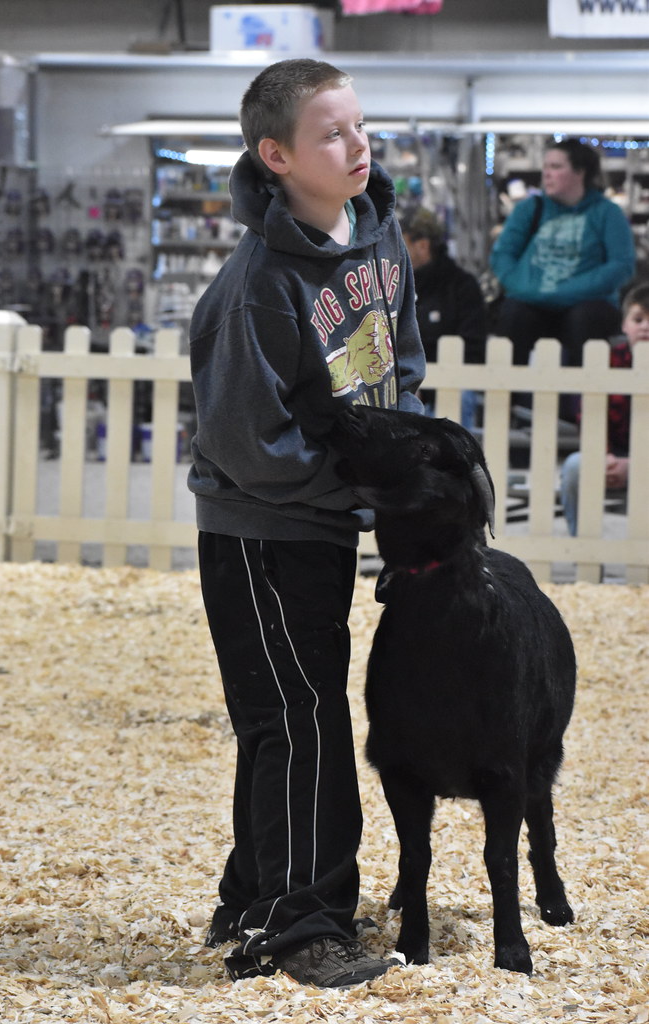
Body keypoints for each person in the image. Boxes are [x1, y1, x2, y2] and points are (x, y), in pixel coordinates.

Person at [187, 58, 425, 988]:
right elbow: (246, 443)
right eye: (332, 134)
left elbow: (397, 366)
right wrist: (355, 492)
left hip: (324, 518)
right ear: (276, 156)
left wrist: (398, 472)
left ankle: (253, 897)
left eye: (359, 124)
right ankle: (298, 927)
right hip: (261, 527)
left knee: (291, 716)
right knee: (301, 723)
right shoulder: (254, 285)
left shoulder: (379, 238)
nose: (357, 145)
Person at [490, 139, 635, 376]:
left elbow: (621, 265)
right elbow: (502, 256)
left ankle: (583, 394)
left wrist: (563, 291)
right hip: (531, 301)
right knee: (514, 314)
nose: (547, 174)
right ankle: (507, 392)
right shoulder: (529, 209)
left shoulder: (607, 213)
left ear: (580, 172)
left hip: (586, 306)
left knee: (586, 319)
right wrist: (529, 289)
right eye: (546, 166)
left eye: (556, 167)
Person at [559, 282, 648, 536]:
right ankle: (580, 543)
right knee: (574, 467)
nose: (645, 326)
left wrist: (636, 463)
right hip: (609, 453)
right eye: (638, 319)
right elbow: (588, 415)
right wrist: (605, 456)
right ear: (624, 325)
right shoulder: (608, 360)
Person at [400, 206, 487, 428]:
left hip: (450, 386)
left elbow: (472, 350)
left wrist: (425, 387)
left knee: (459, 397)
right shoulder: (393, 284)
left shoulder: (462, 287)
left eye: (401, 242)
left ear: (422, 245)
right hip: (404, 385)